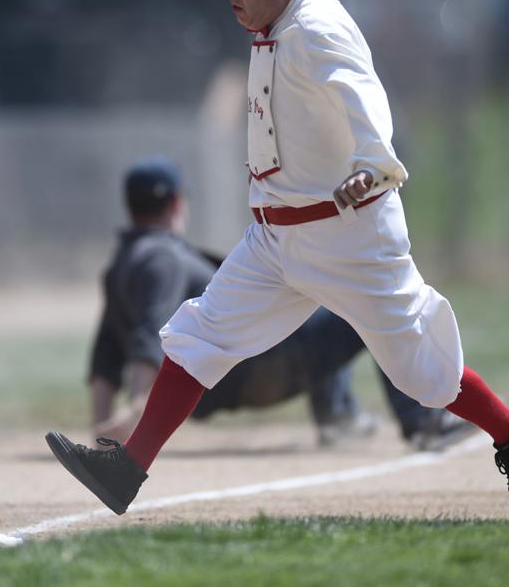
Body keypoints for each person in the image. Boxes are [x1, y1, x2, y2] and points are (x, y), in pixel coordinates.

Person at [47, 0, 509, 521]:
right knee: (200, 335)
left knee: (424, 374)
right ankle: (127, 468)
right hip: (276, 236)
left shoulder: (315, 28)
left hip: (348, 235)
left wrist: (374, 163)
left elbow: (364, 94)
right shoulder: (275, 22)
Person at [91, 158, 471, 449]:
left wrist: (102, 425)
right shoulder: (163, 259)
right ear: (176, 203)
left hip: (215, 385)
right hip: (247, 372)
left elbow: (106, 353)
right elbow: (146, 338)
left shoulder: (121, 263)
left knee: (319, 295)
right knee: (360, 301)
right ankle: (420, 423)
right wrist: (140, 409)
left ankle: (340, 415)